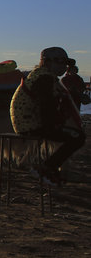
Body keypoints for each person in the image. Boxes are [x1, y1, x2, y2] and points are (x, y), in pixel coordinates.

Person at [10, 47, 86, 186]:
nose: (64, 67)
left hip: (28, 123)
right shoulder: (44, 78)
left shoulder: (42, 75)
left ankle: (51, 170)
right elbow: (46, 106)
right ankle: (47, 167)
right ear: (48, 62)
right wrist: (53, 126)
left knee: (74, 135)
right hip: (32, 125)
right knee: (78, 137)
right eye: (61, 62)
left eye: (65, 64)